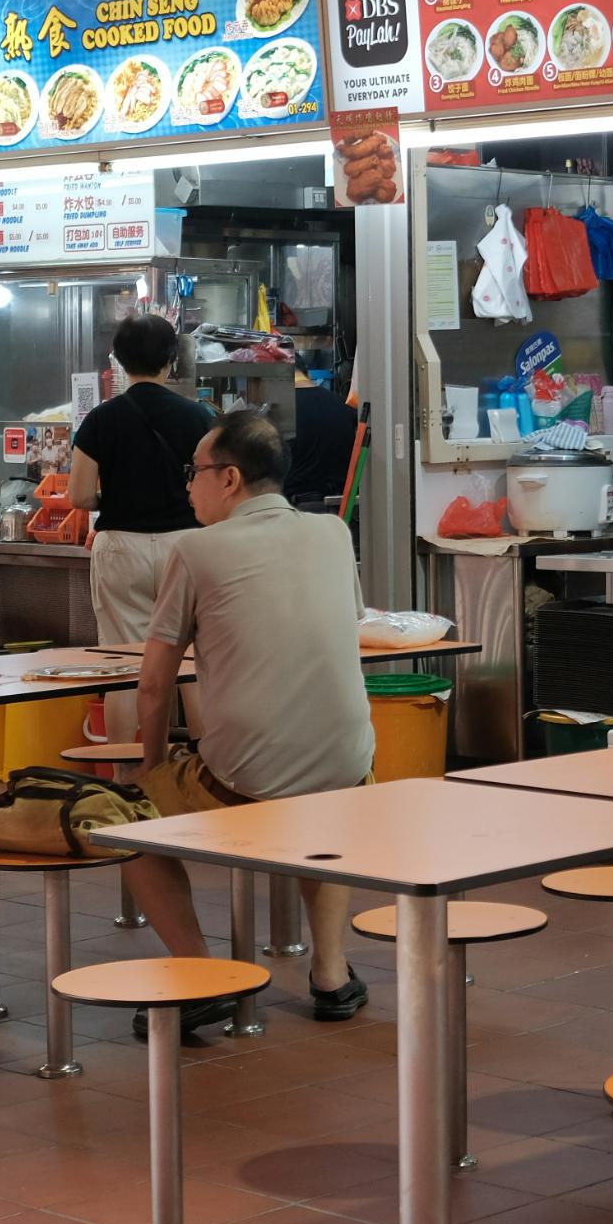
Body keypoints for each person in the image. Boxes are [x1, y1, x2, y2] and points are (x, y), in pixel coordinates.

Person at [126, 411, 375, 1037]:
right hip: (352, 767)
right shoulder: (332, 534)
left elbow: (154, 683)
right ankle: (331, 974)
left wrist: (150, 768)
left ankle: (201, 976)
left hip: (246, 778)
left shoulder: (196, 549)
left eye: (196, 473)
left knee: (124, 819)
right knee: (324, 802)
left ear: (230, 478)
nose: (189, 486)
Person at [69, 315, 215, 742]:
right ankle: (203, 772)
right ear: (171, 360)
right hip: (186, 546)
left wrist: (114, 499)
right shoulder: (198, 417)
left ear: (119, 361)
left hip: (120, 549)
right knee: (190, 663)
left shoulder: (100, 420)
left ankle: (125, 779)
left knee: (123, 666)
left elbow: (78, 496)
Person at [283, 358, 359, 508]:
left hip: (294, 511)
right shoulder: (343, 407)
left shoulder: (278, 412)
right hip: (342, 510)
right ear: (306, 373)